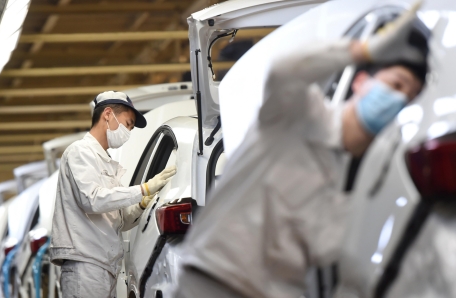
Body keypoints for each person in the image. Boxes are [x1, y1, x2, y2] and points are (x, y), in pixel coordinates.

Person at [174, 2, 428, 298]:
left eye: (409, 97)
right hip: (215, 281)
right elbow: (285, 71)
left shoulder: (361, 175)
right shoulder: (298, 114)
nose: (398, 99)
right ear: (360, 82)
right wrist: (363, 50)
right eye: (396, 84)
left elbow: (328, 252)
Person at [50, 91, 176, 298]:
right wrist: (142, 189)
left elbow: (119, 220)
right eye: (128, 124)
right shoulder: (80, 152)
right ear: (108, 114)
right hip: (85, 264)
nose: (128, 131)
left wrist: (142, 204)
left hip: (104, 266)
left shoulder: (106, 162)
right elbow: (92, 200)